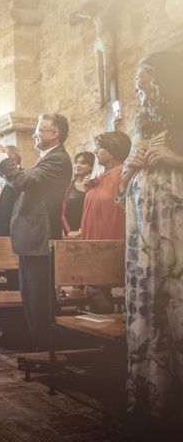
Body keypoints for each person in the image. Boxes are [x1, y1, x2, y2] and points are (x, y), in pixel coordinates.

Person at [118, 51, 183, 437]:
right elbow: (120, 189)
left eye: (144, 77)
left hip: (176, 208)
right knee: (151, 292)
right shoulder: (142, 121)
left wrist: (176, 158)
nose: (138, 85)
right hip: (144, 220)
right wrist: (129, 170)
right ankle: (153, 385)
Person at [0, 113, 72, 350]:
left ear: (54, 133)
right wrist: (2, 165)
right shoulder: (47, 157)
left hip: (40, 234)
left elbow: (25, 182)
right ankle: (39, 345)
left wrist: (5, 158)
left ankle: (46, 350)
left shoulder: (57, 159)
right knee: (31, 296)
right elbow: (22, 184)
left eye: (40, 130)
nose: (35, 134)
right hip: (33, 234)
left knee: (39, 298)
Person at [80, 131, 131, 313]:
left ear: (112, 151)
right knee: (94, 290)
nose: (95, 151)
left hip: (109, 241)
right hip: (93, 241)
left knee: (95, 290)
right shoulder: (99, 177)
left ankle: (112, 336)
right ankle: (106, 335)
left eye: (100, 148)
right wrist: (88, 188)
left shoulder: (123, 174)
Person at [0, 145, 21, 290]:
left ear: (12, 159)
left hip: (14, 231)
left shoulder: (19, 176)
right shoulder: (5, 178)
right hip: (5, 232)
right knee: (10, 270)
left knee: (15, 272)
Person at [61, 151, 94, 237]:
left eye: (82, 163)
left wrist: (83, 230)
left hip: (91, 232)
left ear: (91, 166)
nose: (77, 165)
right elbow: (61, 212)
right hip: (70, 234)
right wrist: (68, 232)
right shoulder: (68, 186)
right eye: (76, 162)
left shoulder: (95, 186)